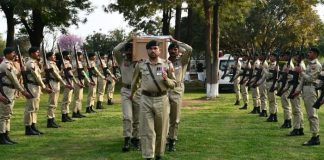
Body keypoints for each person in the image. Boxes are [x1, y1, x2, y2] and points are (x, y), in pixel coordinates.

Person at [131, 40, 176, 160]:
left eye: (155, 48)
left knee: (161, 130)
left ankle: (159, 154)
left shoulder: (167, 64)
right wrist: (132, 95)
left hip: (162, 99)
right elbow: (135, 82)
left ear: (159, 50)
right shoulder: (141, 65)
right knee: (147, 130)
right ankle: (148, 156)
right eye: (150, 49)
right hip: (145, 99)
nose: (153, 50)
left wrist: (167, 80)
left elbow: (174, 84)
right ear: (147, 51)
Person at [0, 47, 31, 144]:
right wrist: (22, 90)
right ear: (7, 54)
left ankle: (6, 135)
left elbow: (16, 76)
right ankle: (2, 136)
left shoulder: (11, 65)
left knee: (8, 114)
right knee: (3, 115)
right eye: (13, 53)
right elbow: (14, 79)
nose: (15, 55)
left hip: (11, 90)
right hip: (6, 90)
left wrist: (22, 71)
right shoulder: (6, 65)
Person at [114, 41, 141, 151]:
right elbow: (116, 50)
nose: (129, 52)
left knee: (137, 118)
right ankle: (126, 139)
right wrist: (129, 40)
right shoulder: (121, 60)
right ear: (124, 51)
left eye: (132, 50)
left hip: (138, 91)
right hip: (126, 91)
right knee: (127, 117)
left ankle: (136, 139)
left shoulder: (140, 62)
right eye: (127, 50)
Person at [167, 37, 192, 152]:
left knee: (175, 118)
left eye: (175, 49)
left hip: (177, 91)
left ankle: (172, 140)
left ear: (178, 51)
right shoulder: (164, 62)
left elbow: (189, 49)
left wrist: (176, 42)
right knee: (164, 117)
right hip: (165, 91)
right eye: (171, 49)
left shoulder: (182, 61)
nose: (173, 51)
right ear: (168, 51)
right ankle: (165, 139)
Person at [295, 47, 321, 146]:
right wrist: (298, 90)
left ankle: (315, 137)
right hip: (306, 89)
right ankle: (314, 136)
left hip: (311, 89)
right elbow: (303, 79)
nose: (308, 53)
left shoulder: (316, 65)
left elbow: (310, 78)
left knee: (312, 114)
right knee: (310, 113)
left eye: (310, 52)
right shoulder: (309, 64)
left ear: (315, 54)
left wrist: (301, 72)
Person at [24, 47, 52, 135]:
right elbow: (36, 76)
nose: (38, 54)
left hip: (36, 87)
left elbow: (39, 75)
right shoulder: (30, 63)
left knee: (35, 108)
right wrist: (44, 87)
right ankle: (28, 127)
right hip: (31, 86)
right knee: (30, 108)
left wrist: (44, 69)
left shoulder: (35, 63)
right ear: (32, 53)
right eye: (37, 52)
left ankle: (33, 126)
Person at [46, 52, 71, 128]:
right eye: (53, 55)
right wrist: (64, 83)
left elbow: (58, 74)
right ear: (49, 57)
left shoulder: (53, 64)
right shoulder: (49, 64)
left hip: (56, 83)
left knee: (55, 103)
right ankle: (50, 120)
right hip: (53, 83)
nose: (55, 56)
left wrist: (63, 70)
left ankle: (52, 119)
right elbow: (56, 75)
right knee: (52, 103)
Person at [287, 53, 305, 136]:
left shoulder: (301, 66)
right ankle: (300, 127)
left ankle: (296, 128)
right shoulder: (298, 65)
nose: (294, 57)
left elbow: (302, 78)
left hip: (296, 89)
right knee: (297, 109)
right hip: (295, 88)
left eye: (296, 56)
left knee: (296, 110)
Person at [72, 51, 94, 118]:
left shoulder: (80, 63)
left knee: (80, 98)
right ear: (78, 56)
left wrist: (88, 80)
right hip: (77, 80)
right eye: (81, 56)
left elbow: (83, 72)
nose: (82, 57)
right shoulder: (75, 63)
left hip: (81, 80)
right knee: (77, 98)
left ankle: (78, 111)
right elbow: (71, 72)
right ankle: (74, 112)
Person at [60, 50, 80, 122]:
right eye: (68, 55)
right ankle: (64, 115)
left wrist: (75, 82)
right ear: (65, 56)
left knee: (68, 99)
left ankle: (67, 115)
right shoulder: (64, 63)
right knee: (65, 100)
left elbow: (71, 73)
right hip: (66, 80)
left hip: (70, 80)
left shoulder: (68, 62)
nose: (69, 56)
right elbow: (62, 73)